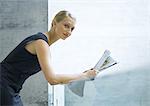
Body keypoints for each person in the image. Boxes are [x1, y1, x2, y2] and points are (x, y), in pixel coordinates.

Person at [0, 10, 97, 106]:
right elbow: (52, 79)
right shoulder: (41, 43)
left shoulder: (43, 44)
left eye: (72, 29)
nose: (69, 32)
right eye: (66, 26)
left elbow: (55, 78)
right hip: (4, 85)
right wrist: (85, 76)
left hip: (10, 87)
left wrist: (83, 75)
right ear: (54, 23)